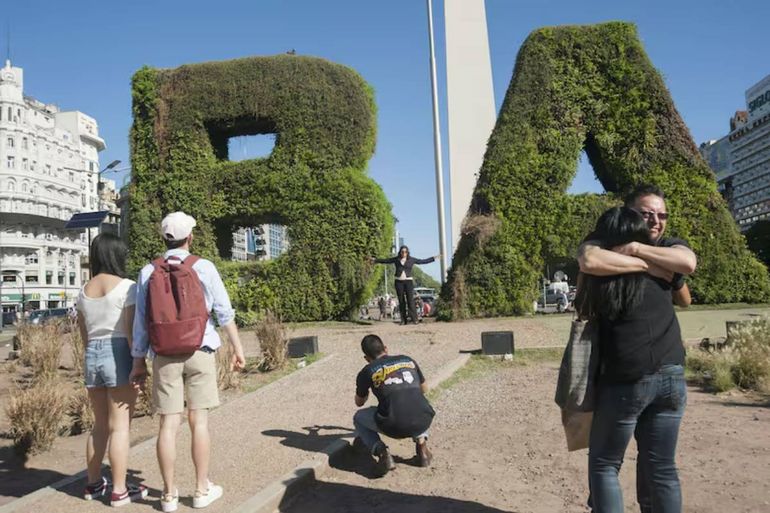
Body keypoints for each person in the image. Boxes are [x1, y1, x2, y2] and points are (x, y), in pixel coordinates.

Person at [575, 204, 696, 513]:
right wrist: (646, 265)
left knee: (604, 465)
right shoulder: (663, 269)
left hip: (625, 376)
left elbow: (583, 307)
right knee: (663, 468)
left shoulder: (597, 274)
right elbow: (684, 298)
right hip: (671, 374)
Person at [129, 212, 246, 512]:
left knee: (168, 425)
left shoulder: (147, 272)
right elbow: (224, 311)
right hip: (200, 350)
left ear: (164, 238)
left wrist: (138, 361)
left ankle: (168, 496)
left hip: (164, 355)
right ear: (190, 237)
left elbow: (141, 323)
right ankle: (200, 489)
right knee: (199, 422)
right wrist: (237, 347)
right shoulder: (203, 267)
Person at [77, 233, 148, 507]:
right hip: (119, 352)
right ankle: (119, 490)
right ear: (118, 256)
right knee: (121, 427)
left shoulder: (83, 291)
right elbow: (131, 332)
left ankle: (93, 483)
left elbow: (84, 335)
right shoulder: (127, 287)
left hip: (92, 354)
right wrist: (139, 363)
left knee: (99, 425)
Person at [354, 334, 435, 476]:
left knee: (358, 417)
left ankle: (382, 453)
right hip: (423, 419)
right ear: (385, 348)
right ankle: (422, 447)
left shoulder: (367, 371)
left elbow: (359, 403)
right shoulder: (407, 360)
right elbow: (424, 389)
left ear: (366, 359)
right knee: (416, 403)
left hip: (393, 425)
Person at [371, 246, 439, 325]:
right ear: (400, 252)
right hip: (398, 282)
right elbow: (386, 260)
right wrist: (375, 260)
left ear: (407, 252)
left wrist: (433, 258)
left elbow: (422, 261)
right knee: (401, 301)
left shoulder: (411, 260)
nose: (404, 253)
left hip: (408, 282)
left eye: (405, 252)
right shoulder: (396, 259)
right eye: (402, 252)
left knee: (410, 300)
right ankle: (403, 320)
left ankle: (415, 319)